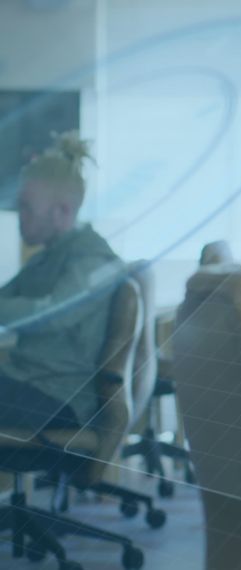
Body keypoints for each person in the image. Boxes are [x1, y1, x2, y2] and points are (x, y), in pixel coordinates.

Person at [0, 132, 123, 432]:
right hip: (29, 383)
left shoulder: (93, 261)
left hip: (60, 401)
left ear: (62, 212)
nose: (20, 217)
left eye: (28, 207)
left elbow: (50, 314)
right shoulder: (49, 256)